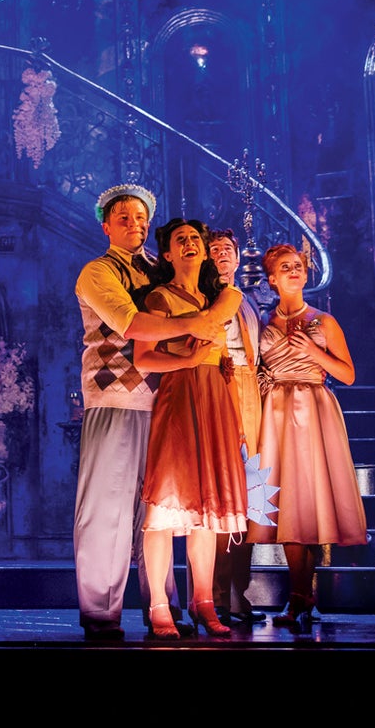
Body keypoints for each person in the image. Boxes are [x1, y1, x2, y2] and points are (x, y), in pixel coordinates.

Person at [71, 183, 211, 642]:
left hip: (164, 397)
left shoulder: (158, 267)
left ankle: (162, 606)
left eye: (140, 218)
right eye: (124, 218)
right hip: (114, 395)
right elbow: (131, 323)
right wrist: (198, 323)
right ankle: (101, 611)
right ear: (106, 226)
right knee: (107, 507)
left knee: (160, 511)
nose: (135, 224)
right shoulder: (97, 271)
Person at [137, 218, 248, 639]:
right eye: (180, 240)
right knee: (165, 507)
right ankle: (159, 604)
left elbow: (225, 359)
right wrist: (185, 360)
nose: (190, 244)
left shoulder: (215, 300)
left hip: (215, 398)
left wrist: (235, 416)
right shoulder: (160, 297)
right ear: (167, 253)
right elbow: (143, 357)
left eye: (195, 239)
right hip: (180, 396)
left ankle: (204, 602)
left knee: (207, 510)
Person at [250, 243, 367, 631]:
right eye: (285, 267)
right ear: (272, 278)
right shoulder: (263, 321)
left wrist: (314, 354)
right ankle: (299, 594)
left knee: (310, 499)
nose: (294, 271)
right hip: (275, 413)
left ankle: (300, 594)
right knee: (286, 503)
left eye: (298, 266)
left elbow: (348, 374)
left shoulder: (323, 321)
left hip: (313, 410)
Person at [205, 226, 264, 623]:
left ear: (239, 257)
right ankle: (214, 596)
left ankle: (238, 593)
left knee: (250, 494)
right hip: (220, 386)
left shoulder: (248, 301)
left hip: (250, 392)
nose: (222, 254)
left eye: (228, 248)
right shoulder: (205, 299)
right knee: (220, 493)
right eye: (215, 249)